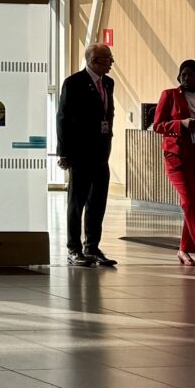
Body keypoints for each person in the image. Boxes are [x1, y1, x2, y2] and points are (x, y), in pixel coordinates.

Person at [57, 42, 118, 267]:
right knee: (77, 201)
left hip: (101, 152)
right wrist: (63, 152)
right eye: (108, 58)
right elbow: (62, 118)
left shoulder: (108, 83)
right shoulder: (73, 83)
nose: (112, 62)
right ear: (94, 61)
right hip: (80, 152)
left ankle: (92, 247)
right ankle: (73, 248)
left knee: (98, 201)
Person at [154, 58, 195, 268]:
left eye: (192, 74)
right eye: (184, 74)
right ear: (179, 77)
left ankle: (182, 250)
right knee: (189, 202)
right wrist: (181, 124)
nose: (187, 78)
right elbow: (157, 126)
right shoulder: (169, 95)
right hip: (177, 156)